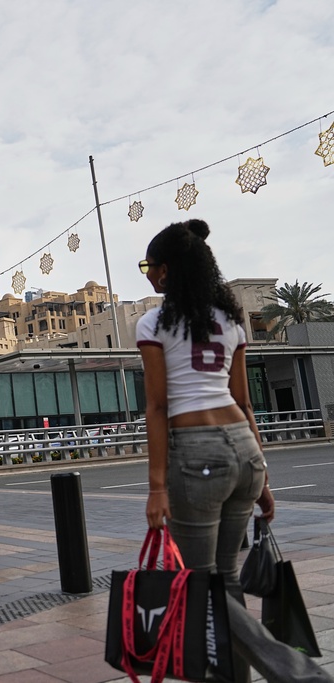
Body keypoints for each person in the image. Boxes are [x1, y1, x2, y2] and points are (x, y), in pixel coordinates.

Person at [136, 218, 332, 683]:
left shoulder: (154, 323)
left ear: (166, 272)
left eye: (148, 266)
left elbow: (159, 407)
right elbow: (244, 402)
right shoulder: (232, 320)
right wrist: (261, 475)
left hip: (196, 453)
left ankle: (298, 672)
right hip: (243, 448)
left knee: (197, 582)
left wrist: (156, 487)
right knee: (224, 579)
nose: (146, 275)